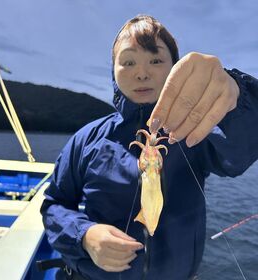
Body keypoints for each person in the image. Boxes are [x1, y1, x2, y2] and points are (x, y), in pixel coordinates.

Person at [40, 15, 258, 280]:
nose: (141, 73)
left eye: (155, 60)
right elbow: (54, 204)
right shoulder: (86, 139)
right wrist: (84, 236)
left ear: (175, 68)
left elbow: (240, 151)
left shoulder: (195, 131)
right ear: (114, 70)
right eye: (128, 62)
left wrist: (236, 97)